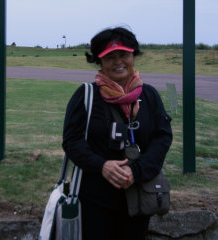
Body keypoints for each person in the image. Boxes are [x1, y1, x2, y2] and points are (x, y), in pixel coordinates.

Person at [62, 27, 172, 240]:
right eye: (110, 57)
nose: (118, 62)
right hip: (94, 199)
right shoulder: (86, 95)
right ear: (99, 62)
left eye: (123, 55)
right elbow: (72, 141)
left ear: (133, 56)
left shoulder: (149, 95)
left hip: (139, 196)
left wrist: (137, 172)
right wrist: (101, 166)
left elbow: (163, 137)